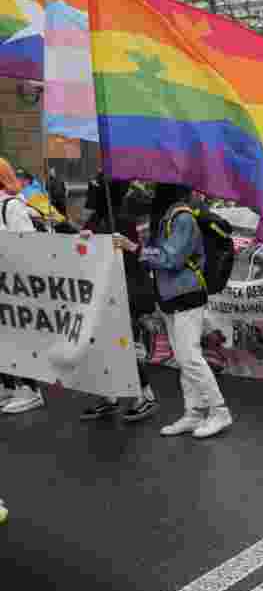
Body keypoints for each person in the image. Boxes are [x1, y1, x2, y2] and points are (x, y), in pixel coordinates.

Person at [117, 184, 233, 438]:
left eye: (157, 189)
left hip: (186, 296)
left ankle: (219, 411)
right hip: (172, 297)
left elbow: (171, 259)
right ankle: (193, 413)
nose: (151, 195)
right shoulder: (167, 218)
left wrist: (135, 248)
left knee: (190, 358)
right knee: (183, 359)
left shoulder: (182, 218)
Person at [78, 177, 160, 423]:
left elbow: (136, 257)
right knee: (102, 345)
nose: (90, 194)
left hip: (126, 291)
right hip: (104, 292)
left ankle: (145, 395)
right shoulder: (98, 217)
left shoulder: (122, 219)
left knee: (125, 345)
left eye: (95, 189)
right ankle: (109, 396)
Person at [0, 159, 45, 414]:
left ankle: (30, 389)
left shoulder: (12, 206)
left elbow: (28, 248)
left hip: (13, 286)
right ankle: (7, 387)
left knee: (16, 339)